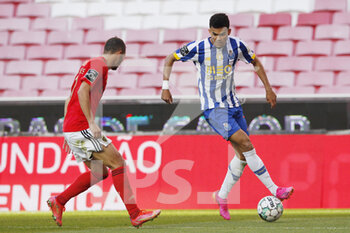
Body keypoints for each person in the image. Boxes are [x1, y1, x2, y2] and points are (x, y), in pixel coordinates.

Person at [161, 13, 294, 220]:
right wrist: (165, 87)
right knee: (246, 143)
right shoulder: (198, 47)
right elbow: (171, 57)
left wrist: (268, 89)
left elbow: (256, 62)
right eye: (214, 35)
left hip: (233, 105)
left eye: (222, 34)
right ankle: (275, 189)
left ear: (228, 32)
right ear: (209, 32)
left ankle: (222, 197)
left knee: (242, 156)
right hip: (213, 109)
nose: (218, 39)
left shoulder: (237, 45)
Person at [47, 37, 161, 228]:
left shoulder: (89, 65)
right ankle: (135, 214)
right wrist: (91, 122)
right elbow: (83, 91)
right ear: (118, 53)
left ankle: (59, 201)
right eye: (122, 58)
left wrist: (66, 131)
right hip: (81, 126)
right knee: (118, 162)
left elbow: (70, 97)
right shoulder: (99, 65)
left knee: (99, 172)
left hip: (73, 127)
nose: (122, 62)